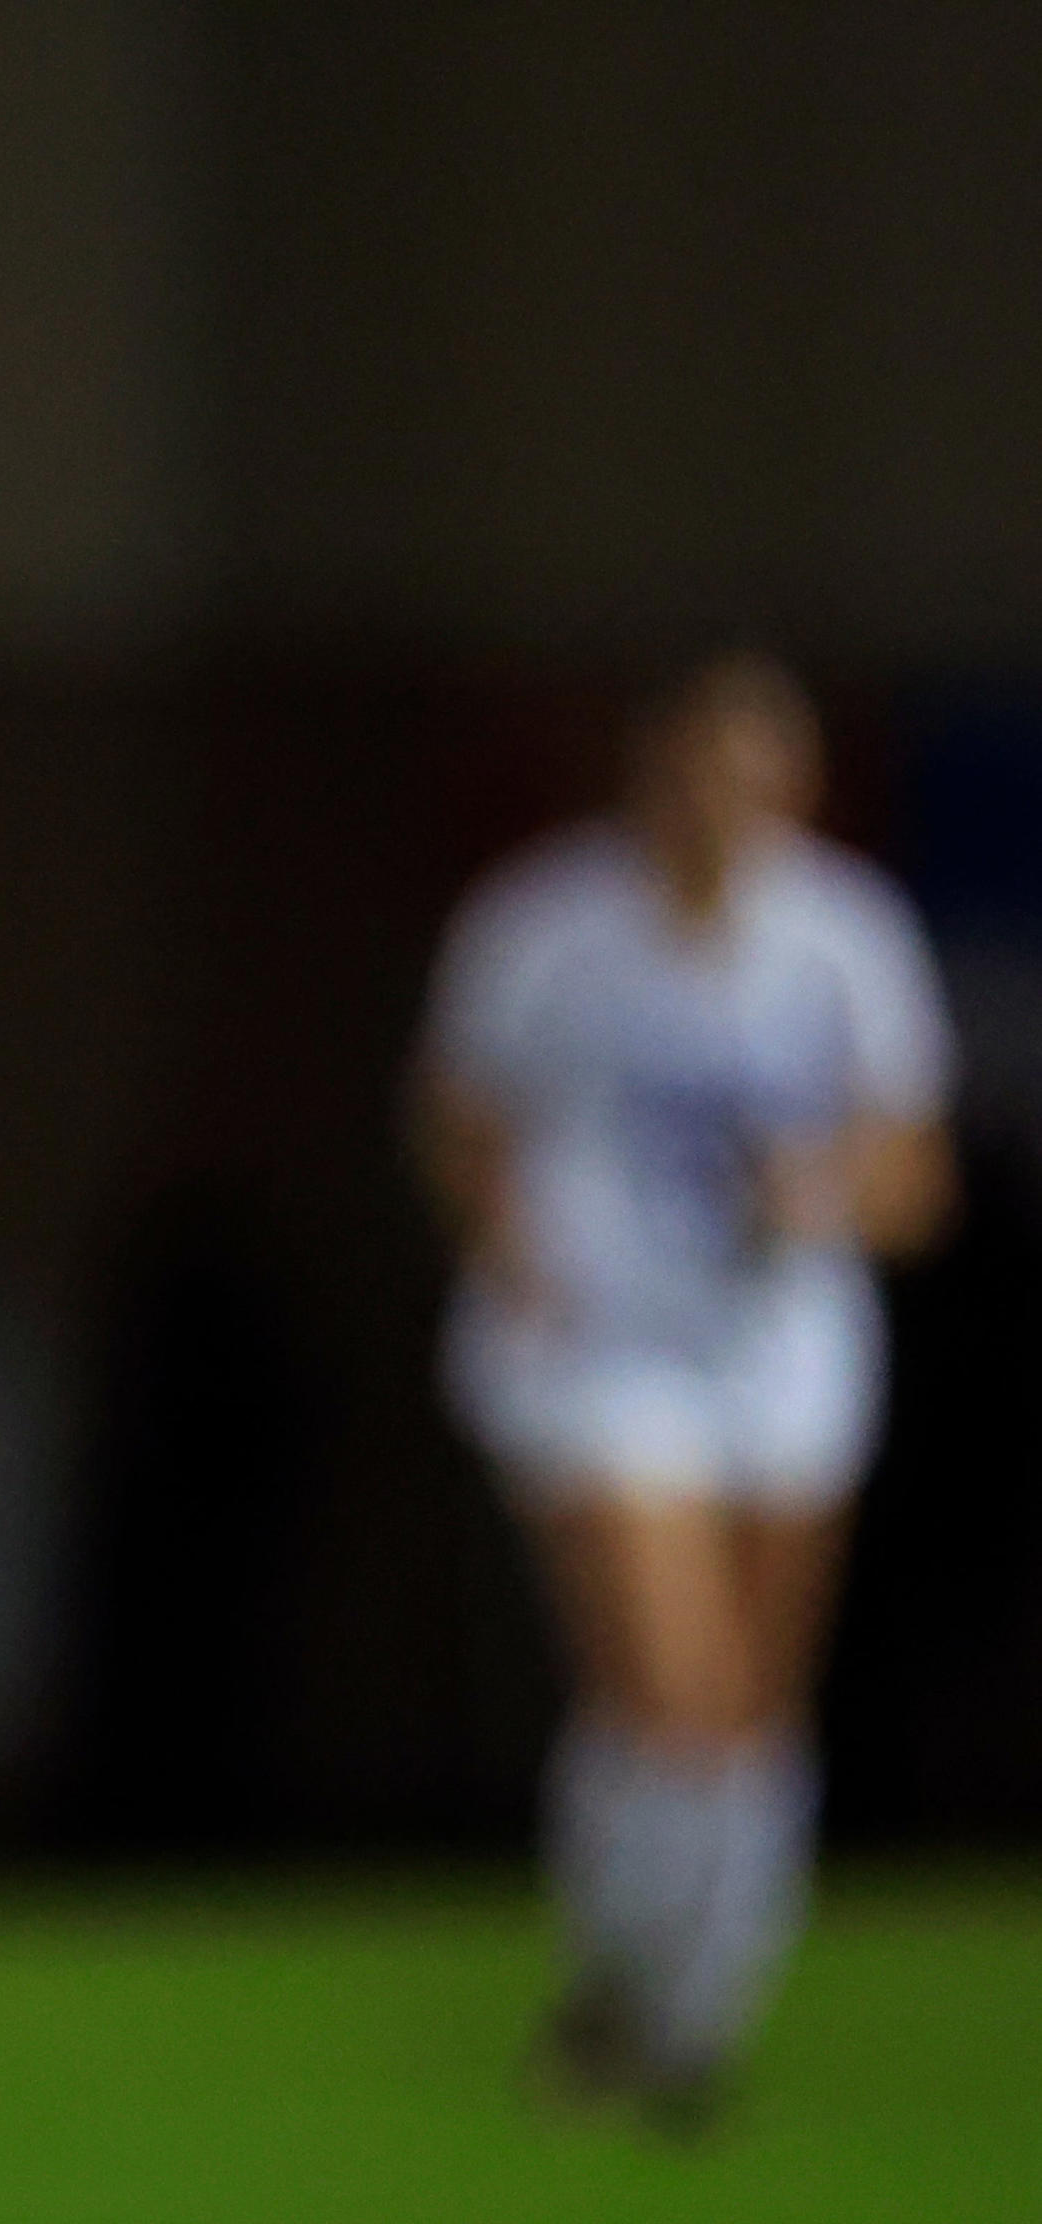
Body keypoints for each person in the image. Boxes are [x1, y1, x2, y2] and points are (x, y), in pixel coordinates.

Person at [417, 653, 955, 2128]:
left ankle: (676, 1981)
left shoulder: (844, 937)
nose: (726, 808)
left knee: (751, 1709)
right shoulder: (547, 929)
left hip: (779, 1353)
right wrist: (511, 1240)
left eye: (760, 777)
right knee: (676, 1688)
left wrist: (823, 1193)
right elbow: (460, 1122)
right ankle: (665, 1997)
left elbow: (914, 1170)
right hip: (600, 1350)